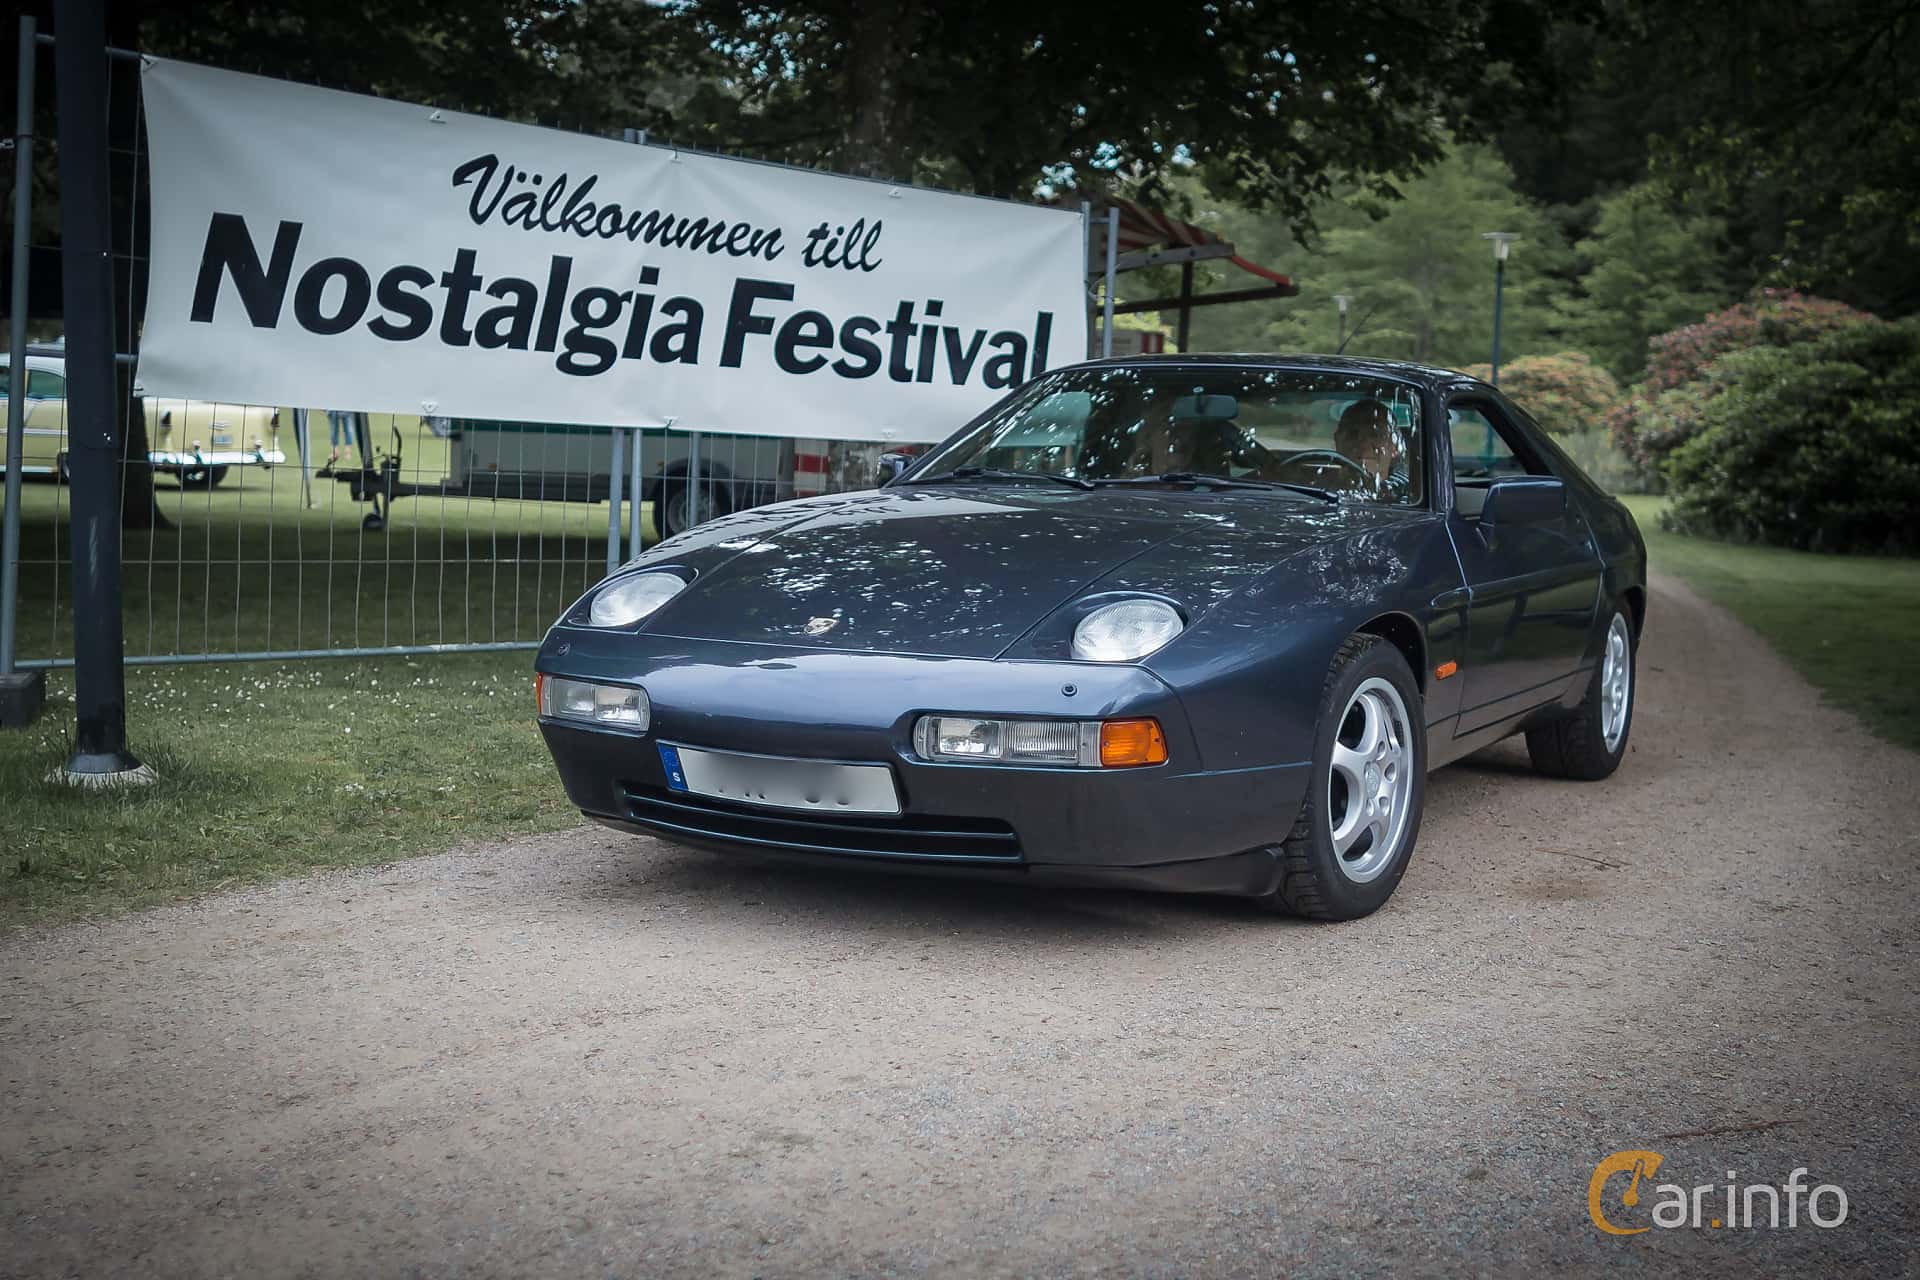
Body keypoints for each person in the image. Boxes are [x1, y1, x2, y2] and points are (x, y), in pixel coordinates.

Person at [1333, 398, 1412, 500]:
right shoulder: (1313, 491)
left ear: (1395, 446)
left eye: (1375, 434)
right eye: (1353, 434)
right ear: (1337, 440)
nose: (1363, 443)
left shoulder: (1407, 495)